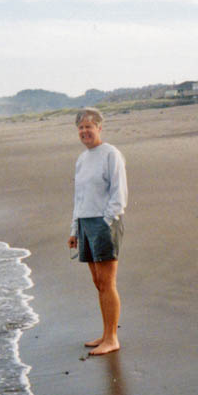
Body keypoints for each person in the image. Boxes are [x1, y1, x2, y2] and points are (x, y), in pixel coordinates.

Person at [67, 107, 127, 356]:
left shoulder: (111, 154)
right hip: (85, 223)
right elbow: (79, 197)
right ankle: (105, 333)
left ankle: (112, 338)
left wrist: (106, 221)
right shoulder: (82, 159)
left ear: (99, 128)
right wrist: (75, 229)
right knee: (98, 282)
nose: (84, 131)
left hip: (104, 224)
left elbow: (119, 194)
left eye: (89, 127)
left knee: (107, 282)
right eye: (81, 127)